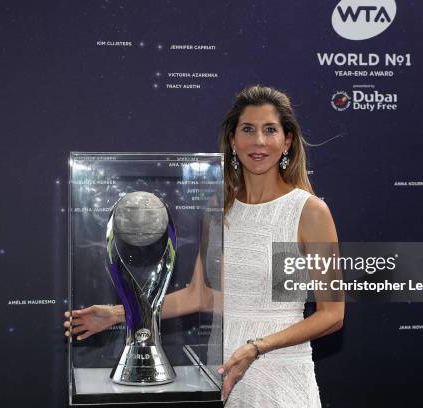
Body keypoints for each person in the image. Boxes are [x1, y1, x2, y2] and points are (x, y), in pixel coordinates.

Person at [64, 85, 345, 407]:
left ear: (287, 141)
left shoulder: (308, 211)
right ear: (233, 139)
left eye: (270, 130)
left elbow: (332, 314)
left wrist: (257, 347)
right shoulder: (219, 208)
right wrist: (119, 314)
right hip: (223, 373)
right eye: (248, 129)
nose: (259, 141)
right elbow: (201, 295)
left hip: (278, 372)